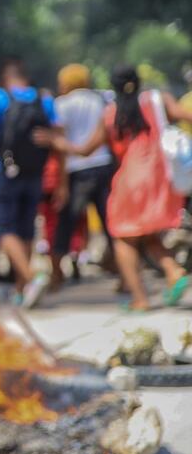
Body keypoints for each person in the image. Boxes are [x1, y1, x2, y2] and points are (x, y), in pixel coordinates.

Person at [37, 66, 191, 311]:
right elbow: (186, 115)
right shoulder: (156, 100)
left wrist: (57, 142)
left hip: (129, 180)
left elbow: (86, 149)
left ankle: (139, 298)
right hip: (160, 178)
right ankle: (174, 272)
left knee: (123, 238)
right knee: (147, 234)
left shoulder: (110, 114)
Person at [0, 57, 64, 308]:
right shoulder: (44, 99)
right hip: (35, 174)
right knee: (26, 229)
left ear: (5, 78)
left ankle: (31, 279)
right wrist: (62, 181)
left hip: (5, 173)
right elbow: (59, 140)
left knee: (4, 229)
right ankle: (22, 290)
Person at [48, 64, 115, 287]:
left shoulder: (62, 104)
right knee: (110, 223)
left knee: (66, 223)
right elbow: (106, 134)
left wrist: (62, 183)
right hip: (102, 164)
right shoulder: (98, 101)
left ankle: (56, 275)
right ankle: (124, 272)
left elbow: (60, 147)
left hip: (76, 170)